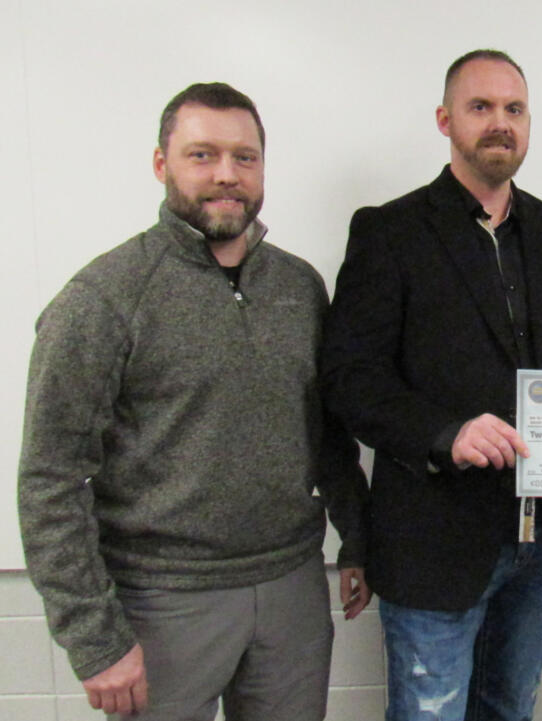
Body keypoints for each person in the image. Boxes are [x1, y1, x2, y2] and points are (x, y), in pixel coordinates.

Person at [17, 82, 370, 721]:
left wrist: (358, 538)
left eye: (245, 157)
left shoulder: (299, 286)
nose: (226, 176)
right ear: (162, 165)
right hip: (161, 601)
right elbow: (49, 479)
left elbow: (326, 435)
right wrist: (94, 639)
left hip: (291, 589)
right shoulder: (103, 300)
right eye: (202, 155)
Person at [320, 49, 542, 721]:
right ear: (446, 119)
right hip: (435, 535)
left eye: (514, 109)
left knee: (510, 706)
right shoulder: (390, 231)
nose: (500, 124)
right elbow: (349, 377)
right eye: (481, 108)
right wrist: (446, 434)